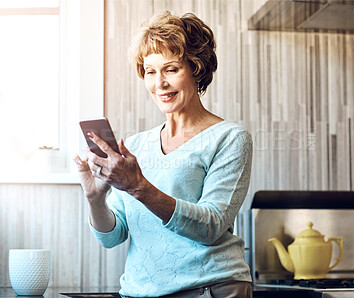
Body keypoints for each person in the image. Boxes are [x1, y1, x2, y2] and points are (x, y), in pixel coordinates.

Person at [74, 11, 253, 298]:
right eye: (150, 71)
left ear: (196, 69)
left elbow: (211, 226)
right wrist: (95, 198)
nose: (160, 83)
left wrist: (137, 186)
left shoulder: (230, 138)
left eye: (171, 69)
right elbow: (112, 237)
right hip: (139, 292)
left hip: (208, 288)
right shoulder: (136, 146)